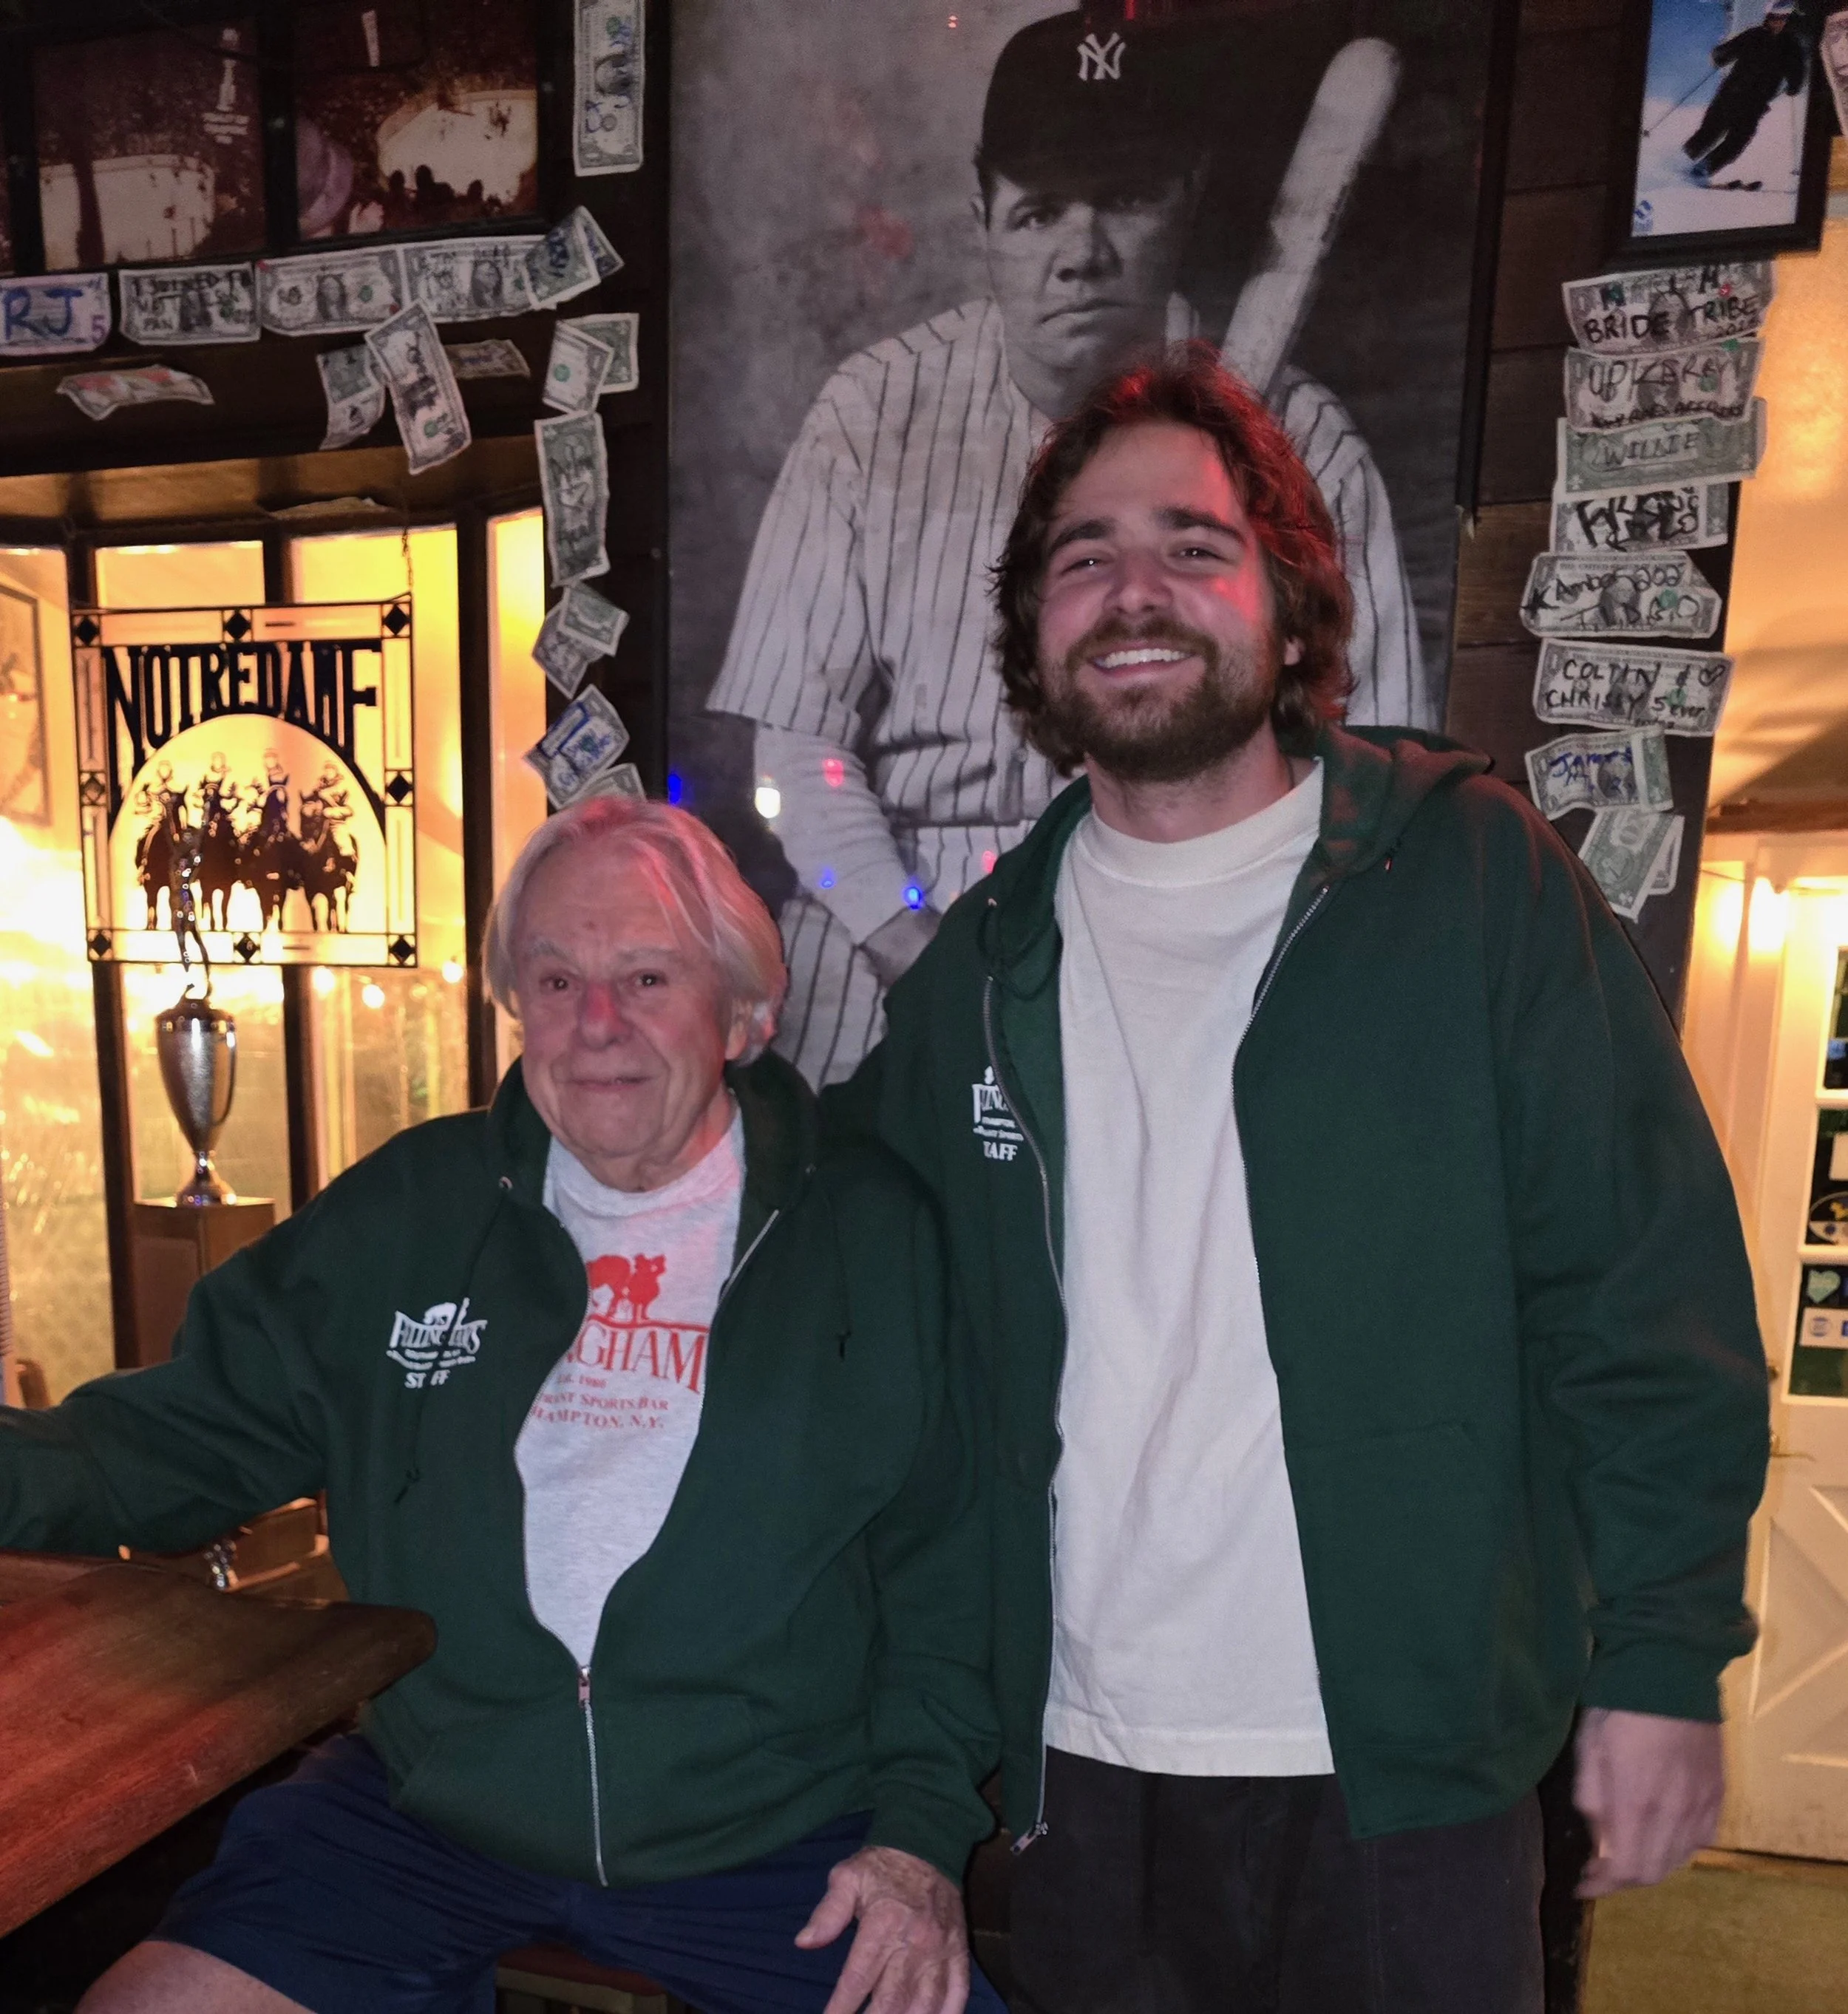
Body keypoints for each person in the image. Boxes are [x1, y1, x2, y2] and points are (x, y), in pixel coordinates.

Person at [829, 347, 1770, 2011]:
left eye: (1193, 546)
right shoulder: (968, 980)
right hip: (1069, 1775)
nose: (1134, 590)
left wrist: (1660, 1661)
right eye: (1082, 555)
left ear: (1285, 603)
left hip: (1406, 1762)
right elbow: (869, 1362)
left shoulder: (1472, 882)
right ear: (1032, 632)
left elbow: (1642, 1298)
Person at [0, 797, 1001, 2014]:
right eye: (557, 978)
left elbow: (955, 1573)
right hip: (430, 1811)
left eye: (646, 977)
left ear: (745, 1011)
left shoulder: (874, 1233)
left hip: (773, 1830)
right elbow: (158, 1447)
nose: (597, 1026)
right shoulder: (410, 1214)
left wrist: (916, 1842)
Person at [708, 8, 1427, 1089]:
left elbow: (1372, 769)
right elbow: (797, 756)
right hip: (885, 926)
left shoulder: (1306, 447)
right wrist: (914, 944)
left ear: (1186, 199)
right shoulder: (871, 414)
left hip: (1185, 942)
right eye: (1041, 210)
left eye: (1126, 201)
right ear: (983, 214)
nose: (1081, 256)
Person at [1682, 0, 1807, 183]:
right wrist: (1720, 56)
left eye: (1783, 18)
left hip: (1754, 103)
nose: (1778, 22)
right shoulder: (1754, 35)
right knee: (1709, 133)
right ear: (1768, 18)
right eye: (1774, 18)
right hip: (1731, 94)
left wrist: (1794, 85)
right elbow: (1726, 52)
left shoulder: (1790, 45)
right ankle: (1678, 165)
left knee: (1738, 141)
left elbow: (1797, 70)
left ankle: (1704, 169)